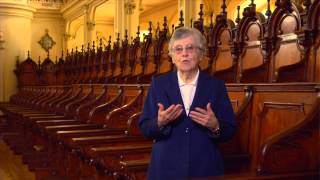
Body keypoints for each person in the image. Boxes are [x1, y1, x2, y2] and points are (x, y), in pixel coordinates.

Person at [139, 27, 237, 180]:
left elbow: (230, 129)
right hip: (166, 169)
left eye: (190, 48)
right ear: (172, 57)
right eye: (178, 49)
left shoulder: (215, 86)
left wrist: (215, 126)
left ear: (201, 53)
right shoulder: (159, 84)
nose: (184, 53)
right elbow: (145, 128)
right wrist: (159, 122)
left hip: (205, 168)